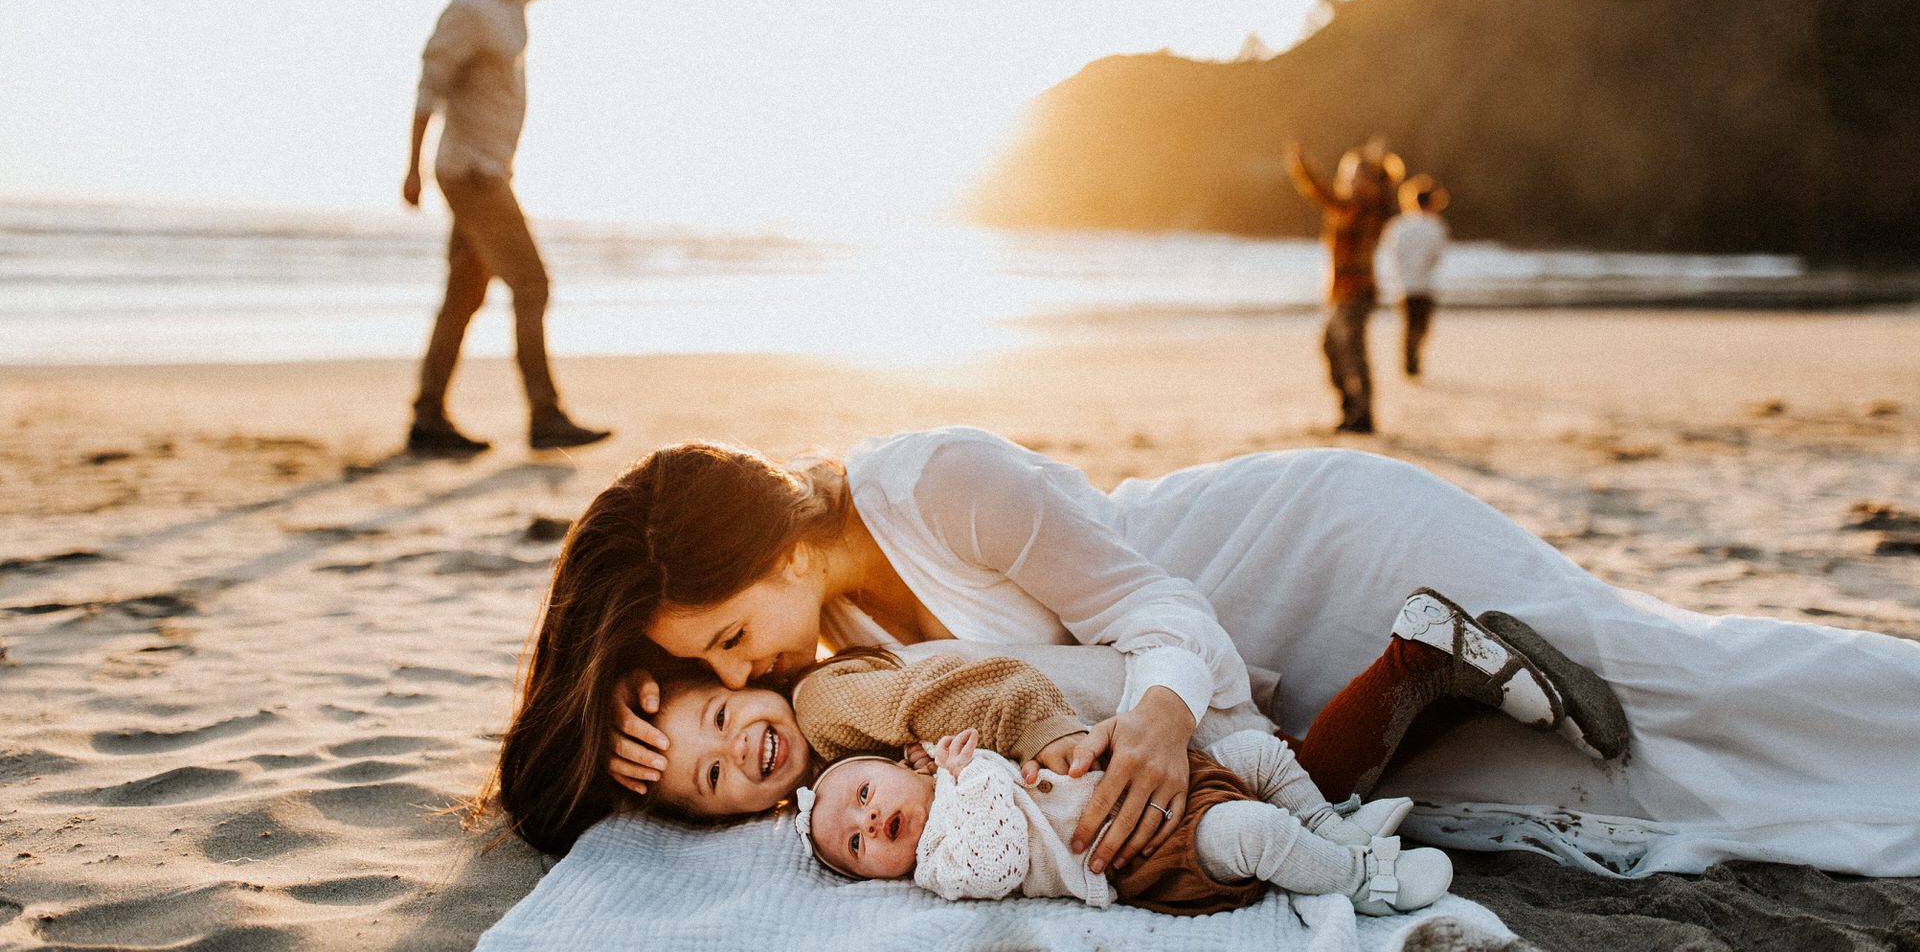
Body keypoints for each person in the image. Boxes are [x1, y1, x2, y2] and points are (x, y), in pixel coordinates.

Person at [497, 427, 1920, 879]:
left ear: (790, 549)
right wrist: (635, 732)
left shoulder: (937, 484)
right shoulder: (824, 655)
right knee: (1624, 799)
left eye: (739, 635)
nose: (746, 676)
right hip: (1305, 700)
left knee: (1675, 681)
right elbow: (764, 763)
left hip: (1307, 563)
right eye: (711, 664)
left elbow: (1162, 615)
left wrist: (1164, 727)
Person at [638, 596, 1619, 824]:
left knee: (1293, 783)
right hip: (1084, 731)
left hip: (1097, 715)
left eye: (720, 717)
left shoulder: (820, 700)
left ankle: (1420, 650)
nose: (740, 746)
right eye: (710, 773)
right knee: (1313, 780)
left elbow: (965, 691)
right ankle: (1451, 672)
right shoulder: (818, 776)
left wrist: (1058, 740)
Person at [402, 0, 629, 457]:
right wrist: (412, 168)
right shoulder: (471, 8)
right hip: (472, 174)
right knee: (532, 285)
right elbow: (429, 83)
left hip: (484, 168)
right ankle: (545, 416)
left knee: (463, 296)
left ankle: (428, 418)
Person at [799, 728, 1453, 918]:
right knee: (1255, 833)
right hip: (1148, 853)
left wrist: (952, 768)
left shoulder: (950, 766)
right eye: (855, 844)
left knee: (1259, 750)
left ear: (902, 763)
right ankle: (1361, 879)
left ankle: (1330, 828)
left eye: (863, 792)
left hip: (1158, 785)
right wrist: (967, 783)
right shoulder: (942, 863)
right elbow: (993, 862)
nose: (871, 819)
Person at [1286, 137, 1404, 433]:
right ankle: (1349, 409)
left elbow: (1389, 189)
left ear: (1372, 181)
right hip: (1337, 292)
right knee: (1330, 349)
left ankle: (1363, 416)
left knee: (1354, 352)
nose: (1354, 182)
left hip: (1360, 292)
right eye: (1351, 175)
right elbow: (1316, 189)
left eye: (1361, 177)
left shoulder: (1373, 209)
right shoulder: (1339, 206)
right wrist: (1299, 161)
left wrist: (1381, 162)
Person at [1382, 174, 1450, 377]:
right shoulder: (1436, 227)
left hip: (1402, 285)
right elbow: (1436, 257)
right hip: (1425, 285)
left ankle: (1409, 360)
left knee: (1408, 325)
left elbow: (1391, 253)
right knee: (1421, 327)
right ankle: (1412, 360)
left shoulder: (1397, 226)